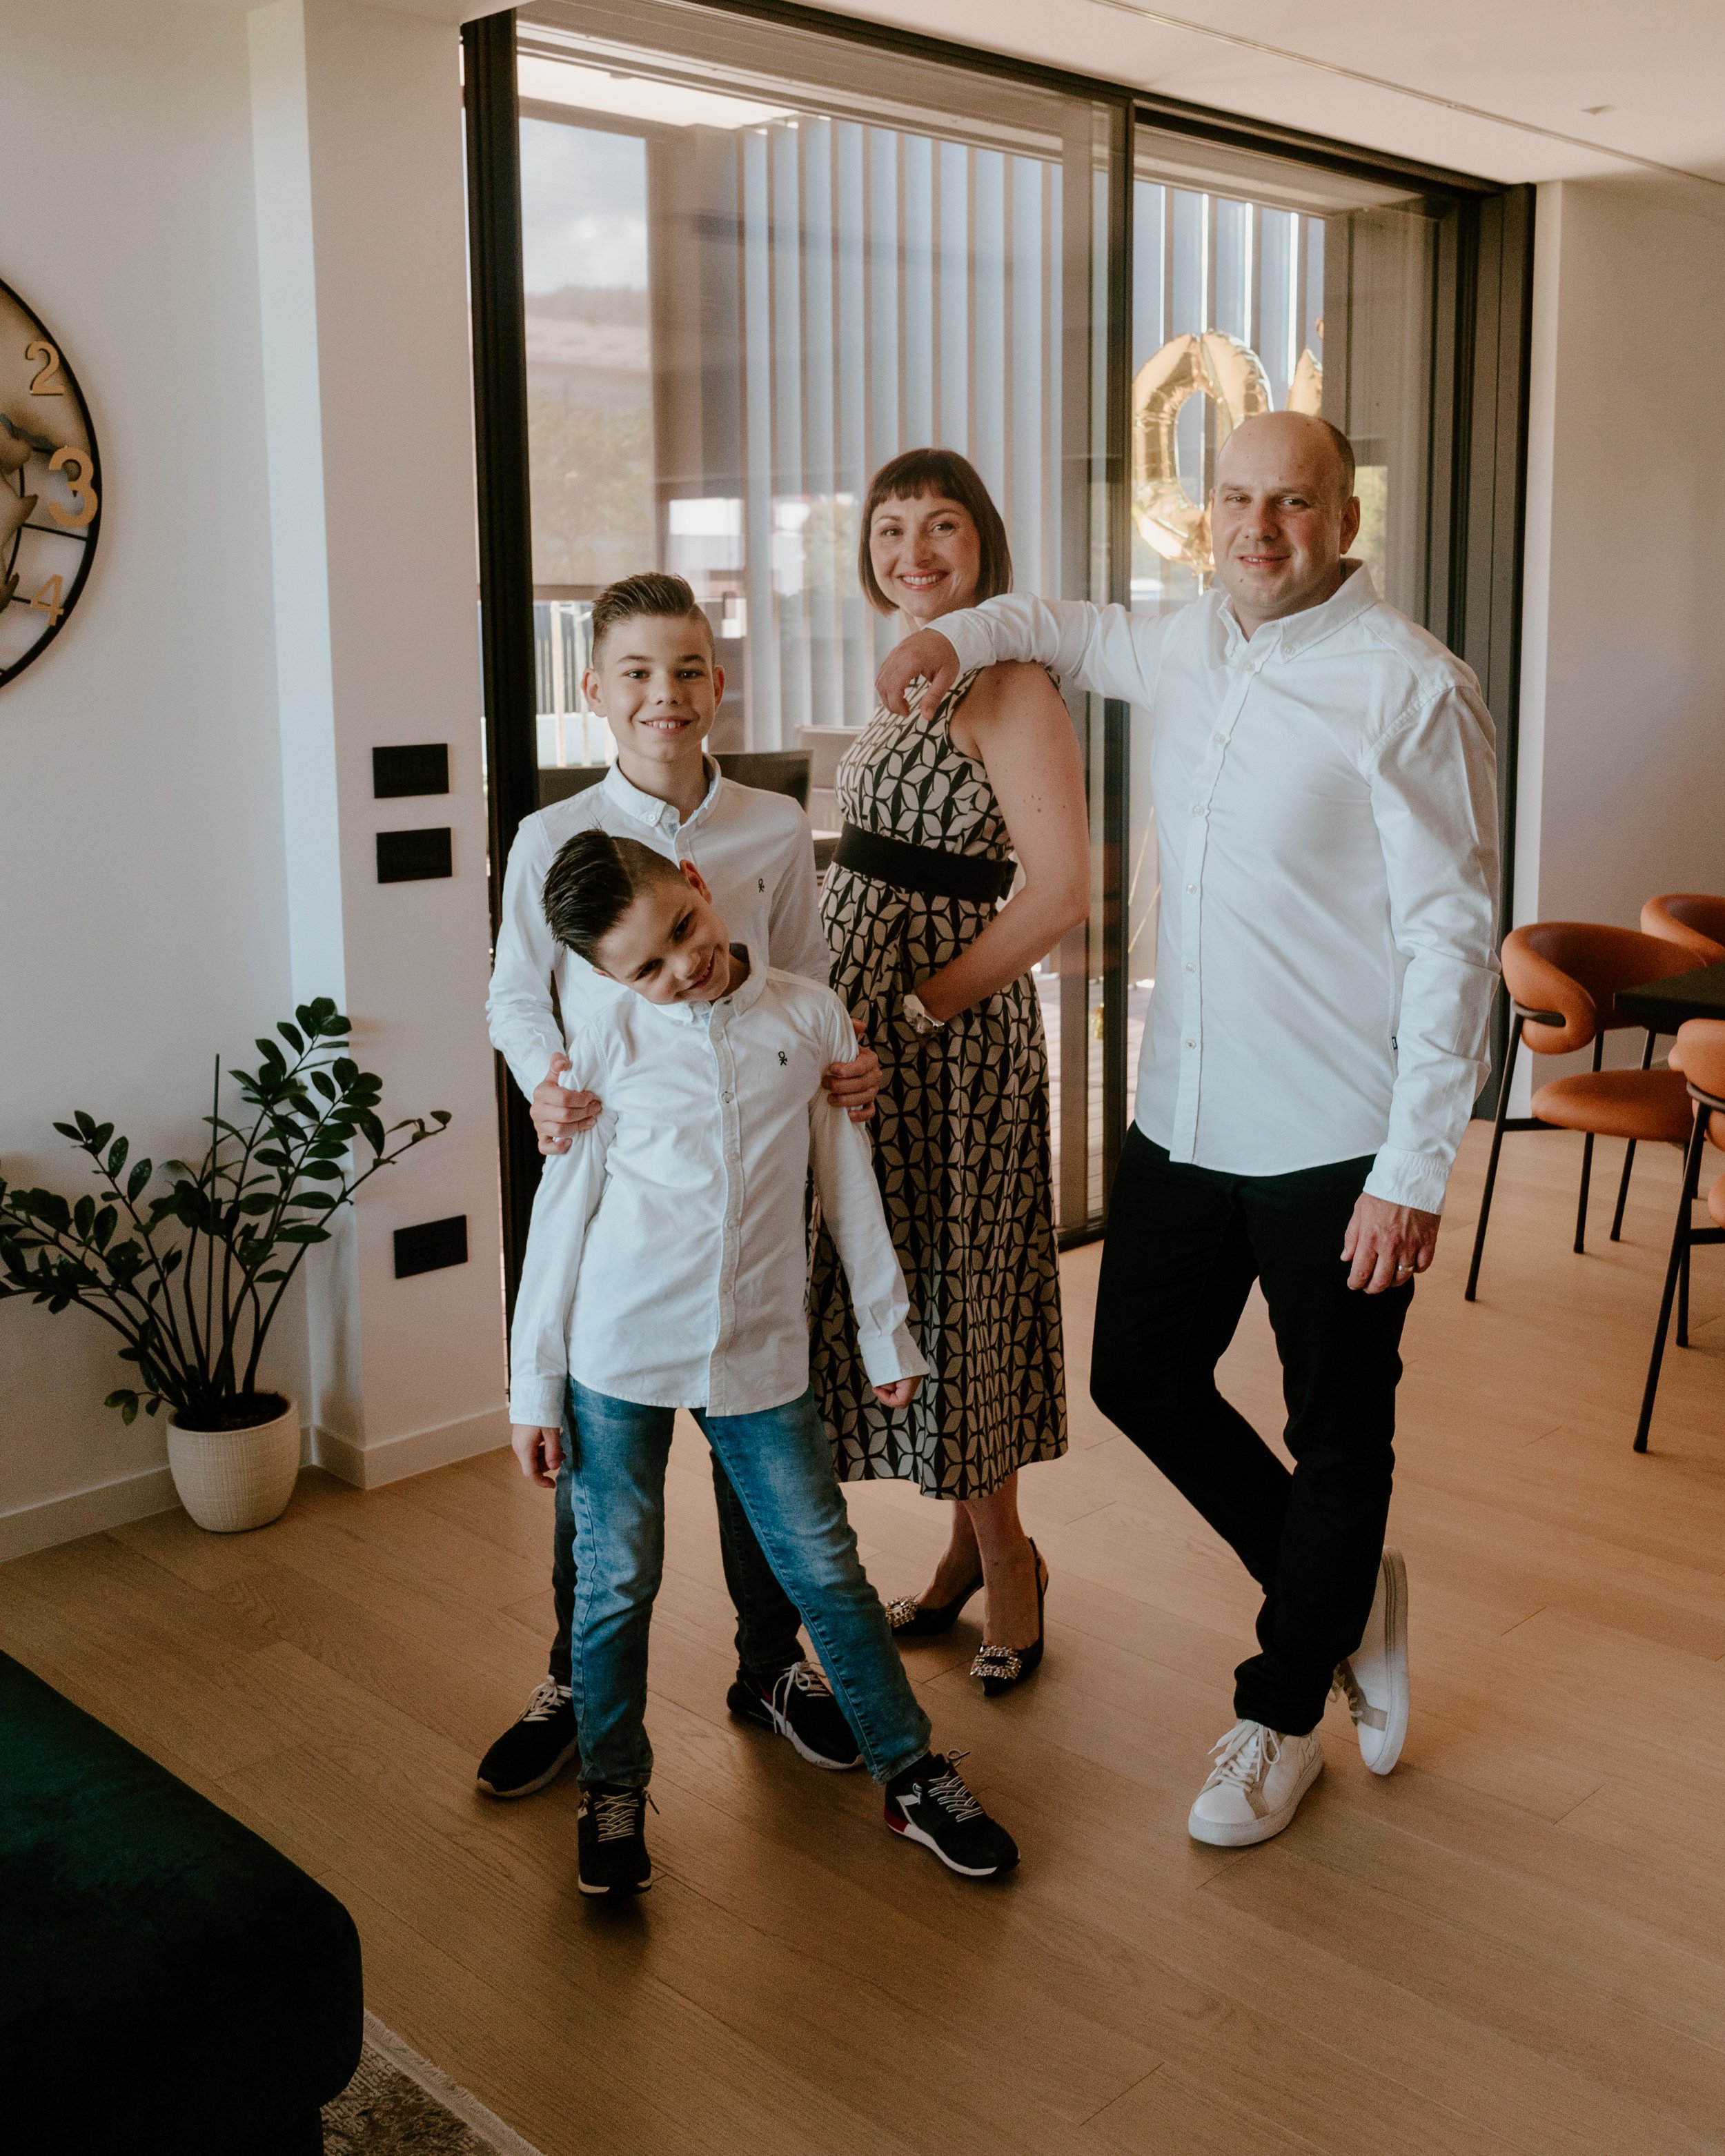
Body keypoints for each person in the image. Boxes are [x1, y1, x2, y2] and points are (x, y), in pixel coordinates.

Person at [877, 411, 1498, 1843]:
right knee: (1140, 1379)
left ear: (1346, 518)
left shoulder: (1409, 685)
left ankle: (1281, 1713)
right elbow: (1058, 624)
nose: (1258, 529)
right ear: (1204, 511)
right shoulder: (1186, 642)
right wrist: (951, 637)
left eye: (1293, 503)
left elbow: (1453, 939)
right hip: (1184, 1114)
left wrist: (1413, 1169)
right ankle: (1337, 1595)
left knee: (1337, 1430)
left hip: (1337, 1139)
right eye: (1234, 499)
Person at [509, 829, 1020, 1892]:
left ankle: (911, 1771)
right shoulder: (602, 1044)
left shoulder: (810, 1015)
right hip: (618, 1356)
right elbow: (561, 1219)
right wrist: (535, 1385)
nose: (682, 966)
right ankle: (612, 1783)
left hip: (761, 1348)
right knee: (616, 1580)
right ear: (612, 982)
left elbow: (847, 1183)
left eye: (682, 928)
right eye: (646, 967)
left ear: (699, 885)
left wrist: (885, 1329)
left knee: (827, 1569)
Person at [480, 573, 881, 1799]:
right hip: (619, 1194)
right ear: (595, 690)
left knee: (763, 1450)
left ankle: (772, 1666)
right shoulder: (550, 840)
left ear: (718, 680)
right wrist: (547, 1079)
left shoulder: (772, 826)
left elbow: (805, 981)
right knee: (607, 1491)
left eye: (689, 668)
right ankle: (575, 1677)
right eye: (639, 673)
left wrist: (846, 1064)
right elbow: (514, 992)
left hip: (751, 1196)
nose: (667, 693)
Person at [810, 448, 1090, 1695]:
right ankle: (968, 1549)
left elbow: (1062, 894)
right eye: (889, 529)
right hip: (866, 1041)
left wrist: (922, 1005)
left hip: (952, 1042)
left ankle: (1010, 1560)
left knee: (960, 1295)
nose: (911, 552)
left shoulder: (1010, 682)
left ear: (985, 544)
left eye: (940, 527)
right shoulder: (904, 679)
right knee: (905, 1288)